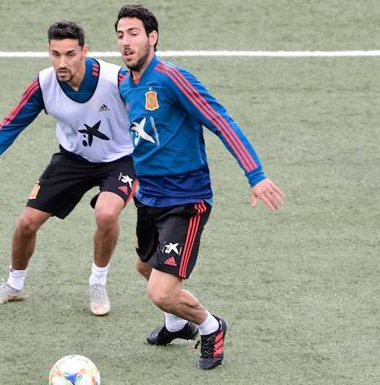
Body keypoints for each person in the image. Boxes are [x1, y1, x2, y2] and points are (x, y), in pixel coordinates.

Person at [115, 5, 284, 369]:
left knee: (160, 290)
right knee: (145, 267)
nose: (125, 42)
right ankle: (176, 325)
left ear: (152, 38)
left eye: (133, 33)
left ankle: (210, 327)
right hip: (149, 199)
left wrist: (255, 175)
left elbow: (220, 121)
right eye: (120, 35)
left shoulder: (173, 79)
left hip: (185, 200)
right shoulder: (124, 84)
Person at [0, 21, 136, 316]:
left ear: (84, 51)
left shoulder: (117, 79)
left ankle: (97, 283)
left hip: (121, 160)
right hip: (73, 159)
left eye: (70, 54)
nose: (62, 62)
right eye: (55, 54)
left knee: (106, 212)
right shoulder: (44, 84)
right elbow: (12, 125)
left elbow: (152, 116)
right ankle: (14, 285)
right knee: (26, 223)